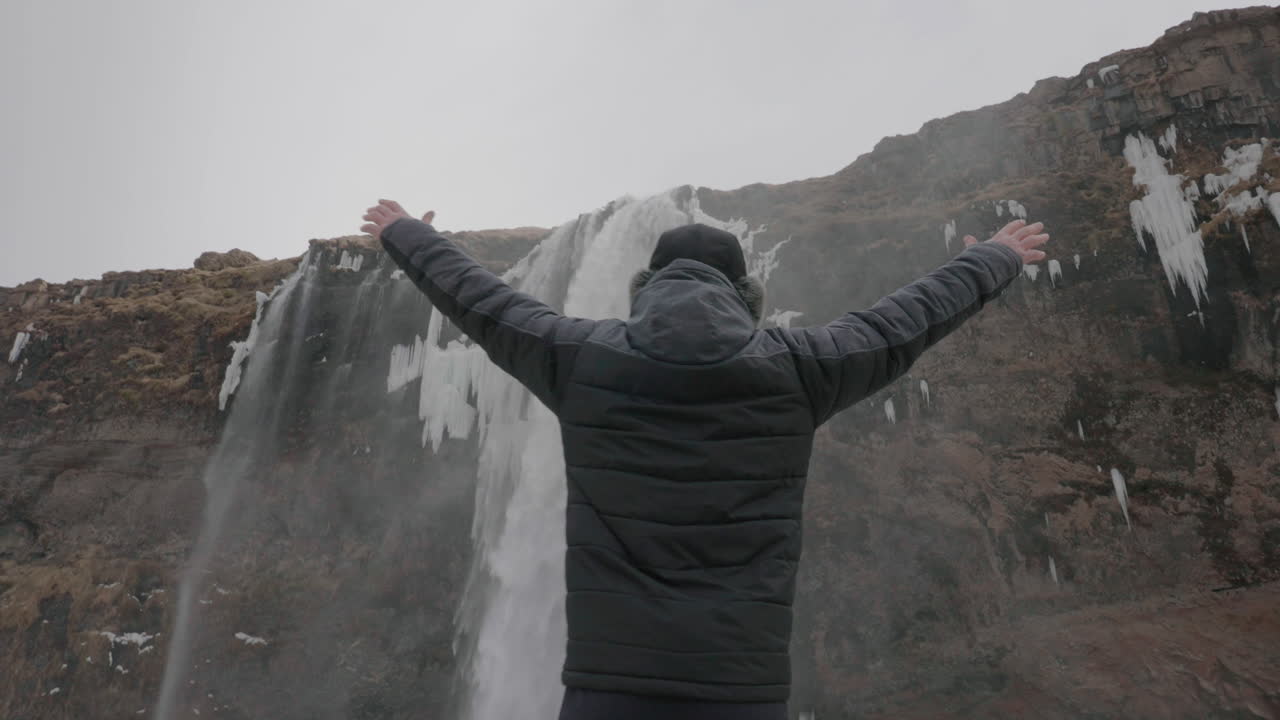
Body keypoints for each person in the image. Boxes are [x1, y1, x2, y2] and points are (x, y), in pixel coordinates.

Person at [361, 200, 1048, 720]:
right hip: (740, 691)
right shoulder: (799, 368)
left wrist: (404, 233)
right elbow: (903, 322)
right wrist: (993, 258)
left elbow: (482, 302)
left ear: (644, 288)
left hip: (608, 690)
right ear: (747, 298)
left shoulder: (581, 357)